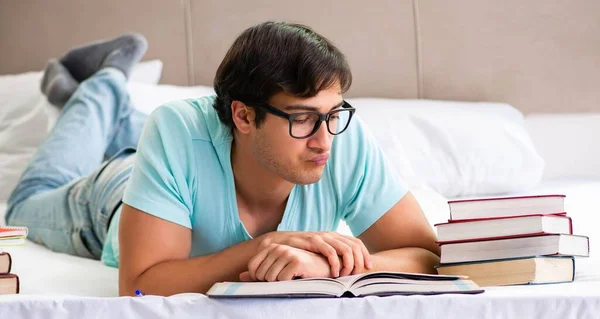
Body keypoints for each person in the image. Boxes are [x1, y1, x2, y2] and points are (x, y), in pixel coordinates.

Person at [5, 22, 441, 297]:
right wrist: (261, 248)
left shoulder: (339, 137)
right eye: (303, 119)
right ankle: (104, 84)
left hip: (177, 163)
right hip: (110, 199)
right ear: (243, 115)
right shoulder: (174, 129)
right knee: (26, 202)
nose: (324, 140)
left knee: (164, 139)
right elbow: (140, 285)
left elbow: (427, 255)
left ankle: (117, 110)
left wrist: (324, 265)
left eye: (332, 115)